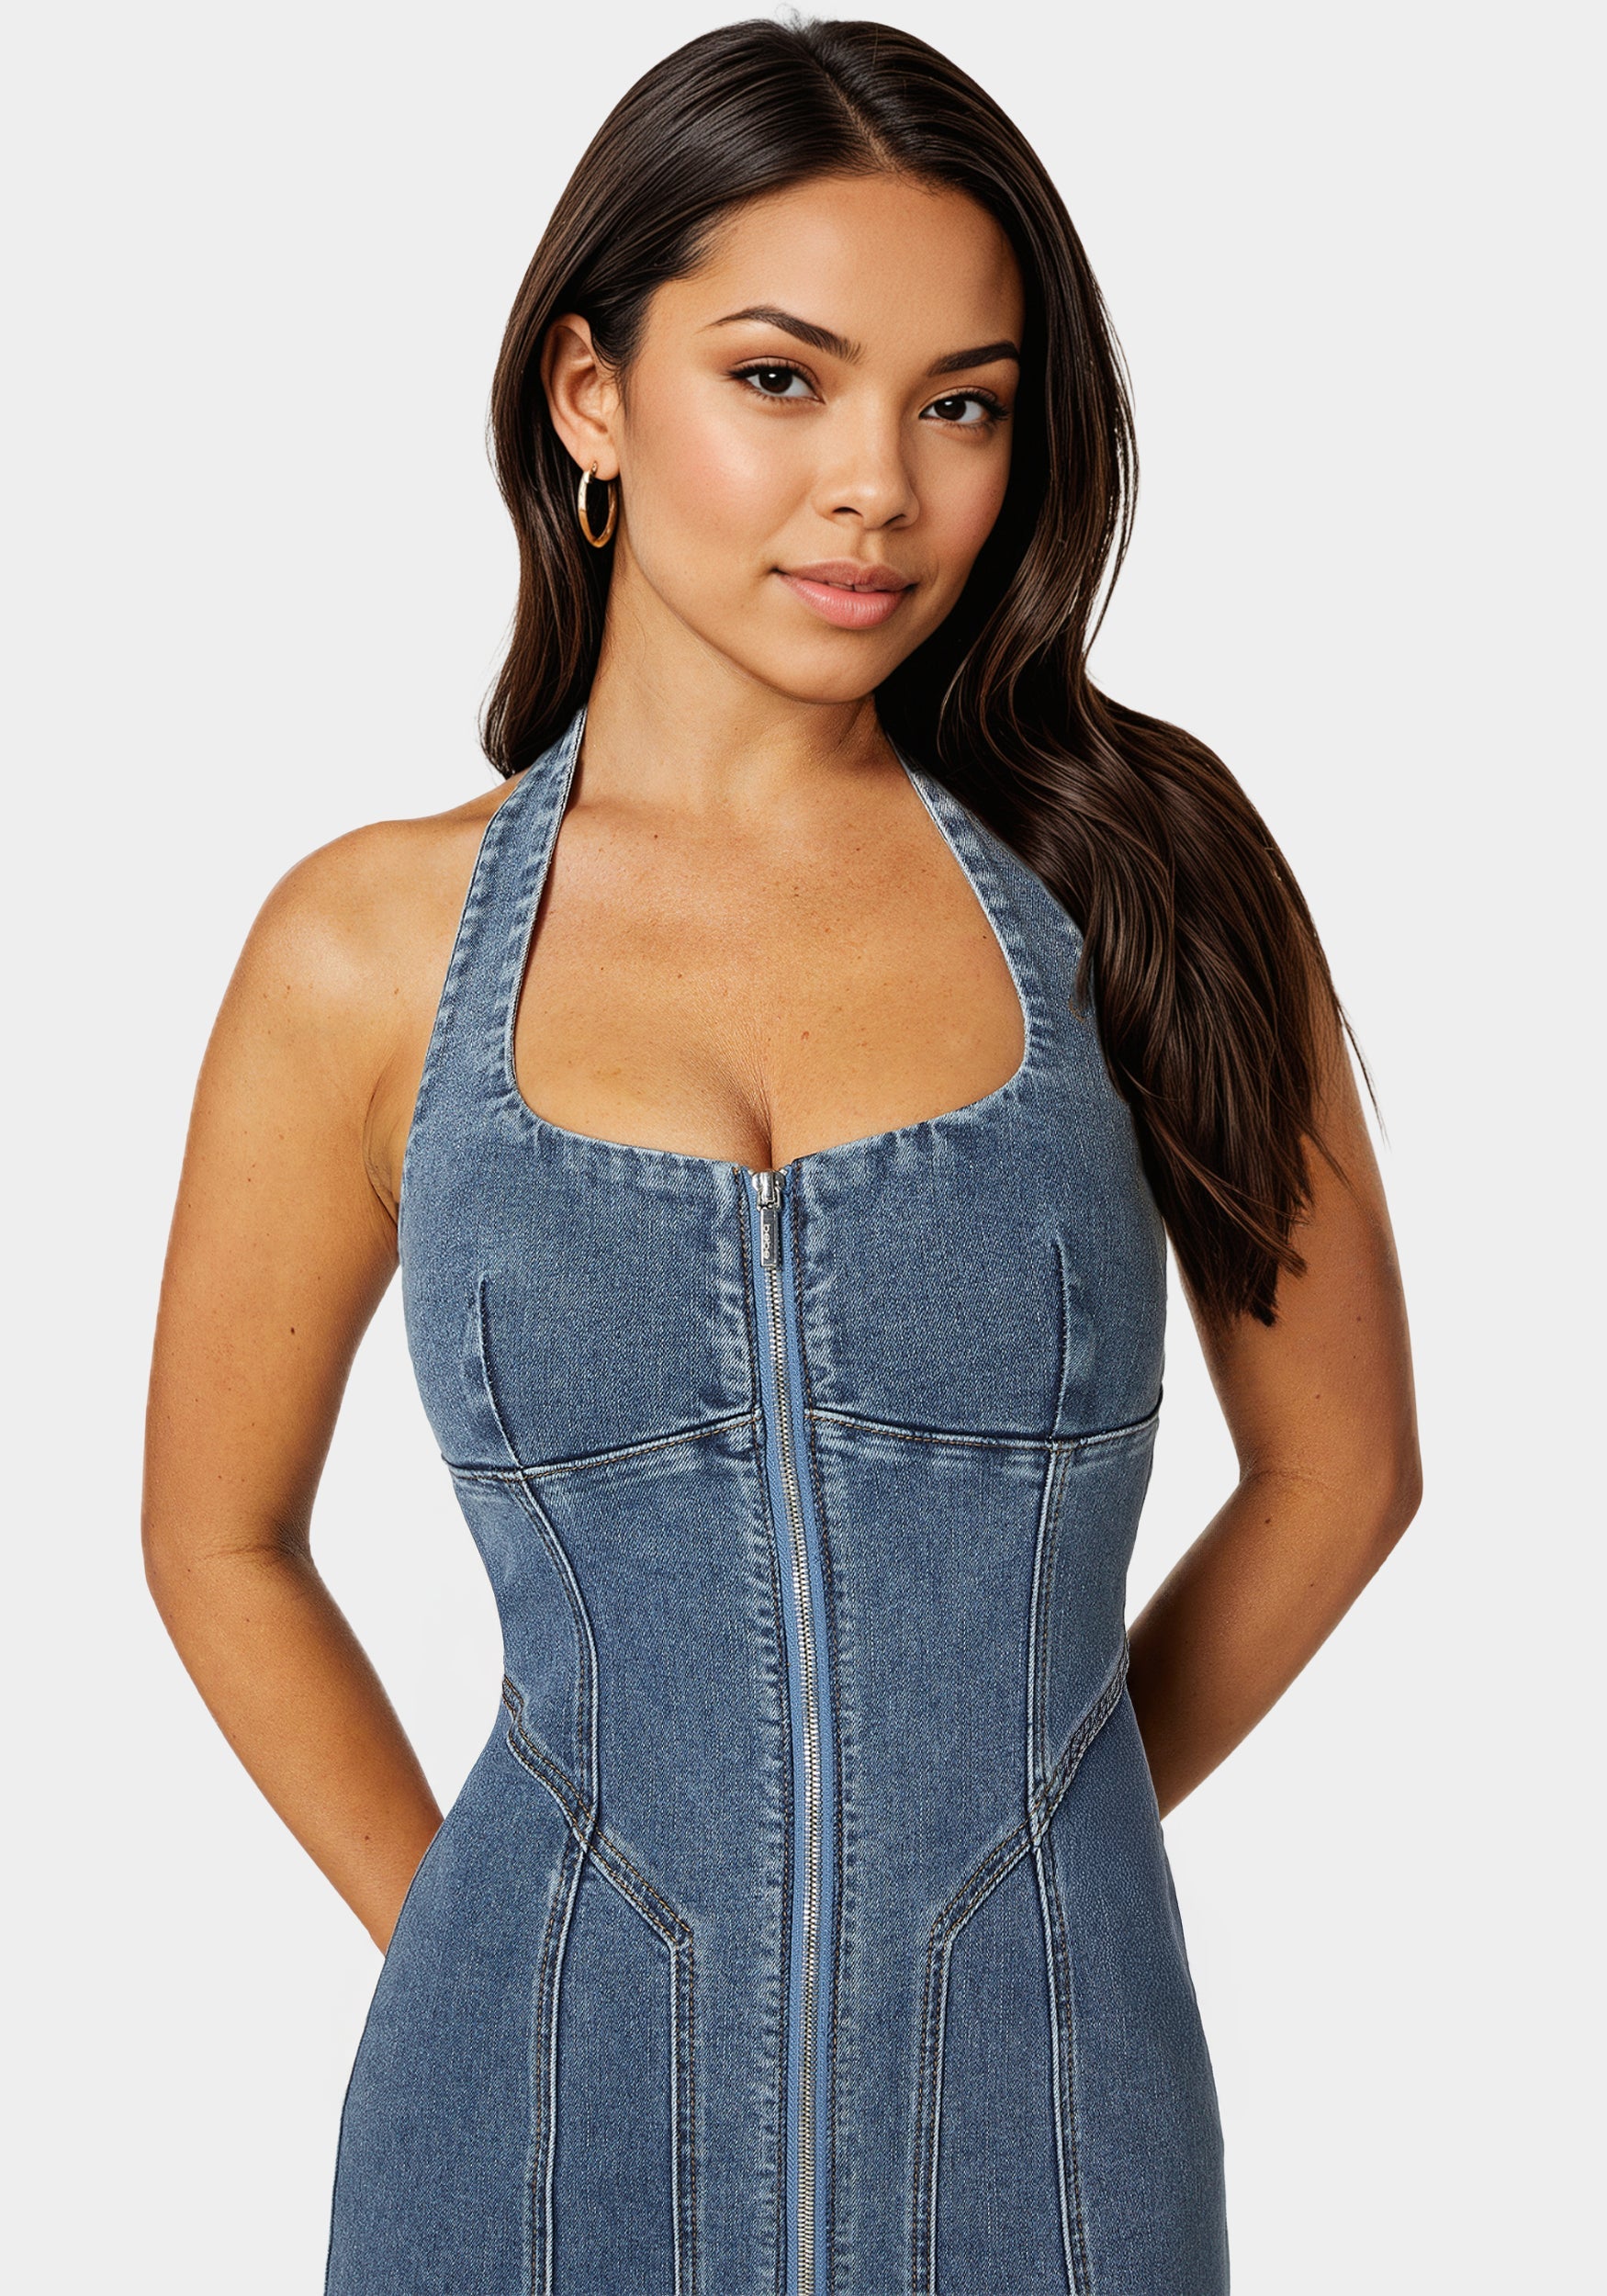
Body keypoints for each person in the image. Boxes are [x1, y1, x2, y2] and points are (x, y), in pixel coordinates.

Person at [141, 16, 1422, 2294]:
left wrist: (1035, 1826)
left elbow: (1341, 1470)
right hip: (514, 2119)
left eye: (960, 403)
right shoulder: (364, 946)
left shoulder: (1149, 875)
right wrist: (475, 1942)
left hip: (1055, 2106)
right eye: (778, 379)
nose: (876, 489)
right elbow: (215, 1537)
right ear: (589, 392)